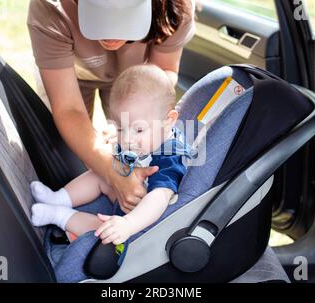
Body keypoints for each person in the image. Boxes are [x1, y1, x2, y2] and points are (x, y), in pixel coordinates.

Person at [27, 0, 196, 214]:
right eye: (99, 16)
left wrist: (131, 125)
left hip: (136, 81)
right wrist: (110, 170)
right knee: (72, 155)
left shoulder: (174, 7)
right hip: (71, 75)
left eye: (124, 18)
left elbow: (163, 72)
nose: (109, 36)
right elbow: (69, 108)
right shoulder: (50, 8)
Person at [30, 65, 193, 245]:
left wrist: (128, 224)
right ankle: (58, 198)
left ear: (168, 120)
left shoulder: (170, 155)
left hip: (141, 220)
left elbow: (160, 197)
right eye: (122, 128)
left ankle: (59, 215)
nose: (128, 138)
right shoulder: (148, 138)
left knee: (104, 229)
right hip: (126, 189)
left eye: (139, 129)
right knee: (100, 173)